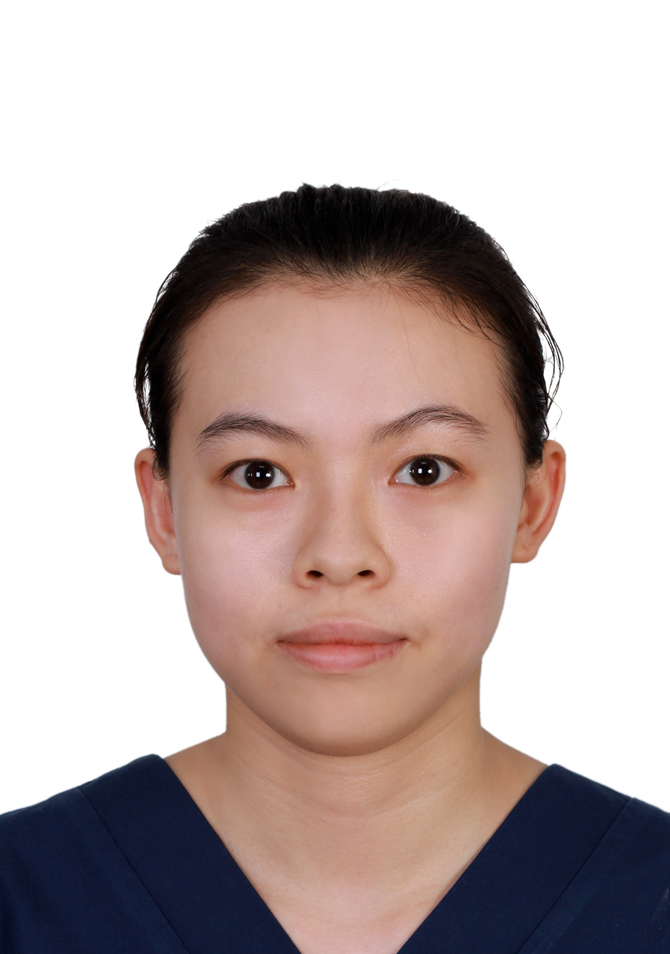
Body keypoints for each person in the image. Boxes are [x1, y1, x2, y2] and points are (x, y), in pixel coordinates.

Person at [1, 185, 668, 954]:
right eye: (258, 474)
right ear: (165, 512)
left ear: (533, 503)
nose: (340, 555)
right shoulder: (22, 899)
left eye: (424, 470)